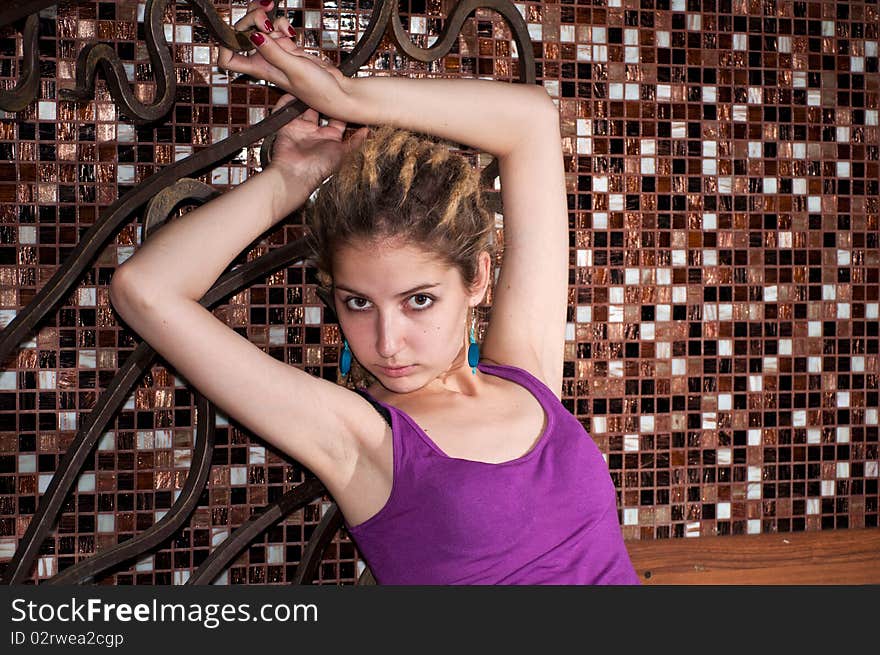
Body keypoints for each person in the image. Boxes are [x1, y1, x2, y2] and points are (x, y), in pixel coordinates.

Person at [109, 0, 639, 585]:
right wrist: (293, 179)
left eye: (419, 300)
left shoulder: (526, 375)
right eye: (358, 302)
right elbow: (145, 291)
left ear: (479, 279)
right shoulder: (361, 436)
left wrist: (344, 96)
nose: (388, 342)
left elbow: (531, 122)